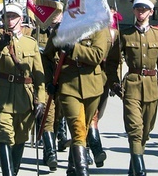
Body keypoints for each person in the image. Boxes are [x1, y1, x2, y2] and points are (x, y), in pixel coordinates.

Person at [110, 0, 158, 175]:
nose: (140, 12)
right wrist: (114, 81)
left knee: (145, 131)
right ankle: (140, 171)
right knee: (135, 129)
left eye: (144, 9)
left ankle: (133, 168)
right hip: (132, 86)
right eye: (138, 9)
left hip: (152, 87)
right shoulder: (126, 34)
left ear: (151, 12)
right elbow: (113, 62)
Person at [0, 2, 46, 175]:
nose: (10, 20)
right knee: (4, 135)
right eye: (7, 17)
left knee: (20, 138)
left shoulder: (30, 43)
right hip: (2, 95)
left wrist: (40, 100)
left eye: (13, 17)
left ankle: (14, 171)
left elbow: (39, 74)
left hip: (24, 97)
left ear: (21, 19)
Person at [43, 25, 109, 175]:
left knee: (82, 130)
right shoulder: (62, 29)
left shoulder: (98, 27)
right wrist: (49, 80)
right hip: (68, 85)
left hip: (93, 85)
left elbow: (98, 55)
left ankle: (72, 169)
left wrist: (73, 49)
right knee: (78, 129)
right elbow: (47, 55)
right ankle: (82, 172)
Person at [86, 14, 121, 168]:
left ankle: (88, 148)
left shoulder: (115, 34)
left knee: (97, 115)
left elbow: (116, 60)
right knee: (90, 116)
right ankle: (93, 149)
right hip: (89, 78)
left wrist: (115, 82)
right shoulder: (87, 30)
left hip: (105, 80)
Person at [31, 13, 62, 171]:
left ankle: (50, 148)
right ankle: (51, 154)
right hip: (46, 79)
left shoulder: (67, 31)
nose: (54, 17)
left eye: (57, 14)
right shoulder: (37, 31)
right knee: (48, 116)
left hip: (64, 83)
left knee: (58, 120)